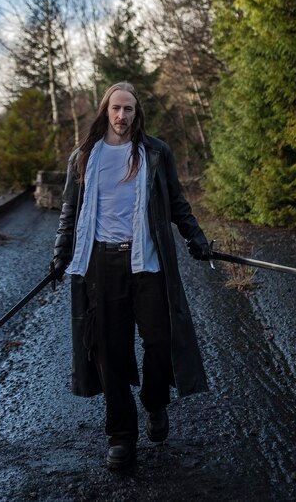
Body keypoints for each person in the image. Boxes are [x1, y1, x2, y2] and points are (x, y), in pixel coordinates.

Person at [51, 81, 210, 470]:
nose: (122, 116)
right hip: (100, 265)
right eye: (116, 109)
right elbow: (68, 215)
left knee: (160, 341)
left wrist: (196, 238)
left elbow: (176, 202)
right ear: (106, 110)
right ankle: (122, 437)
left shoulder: (155, 153)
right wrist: (59, 256)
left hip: (146, 262)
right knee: (109, 352)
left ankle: (155, 402)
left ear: (137, 114)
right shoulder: (84, 157)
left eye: (130, 110)